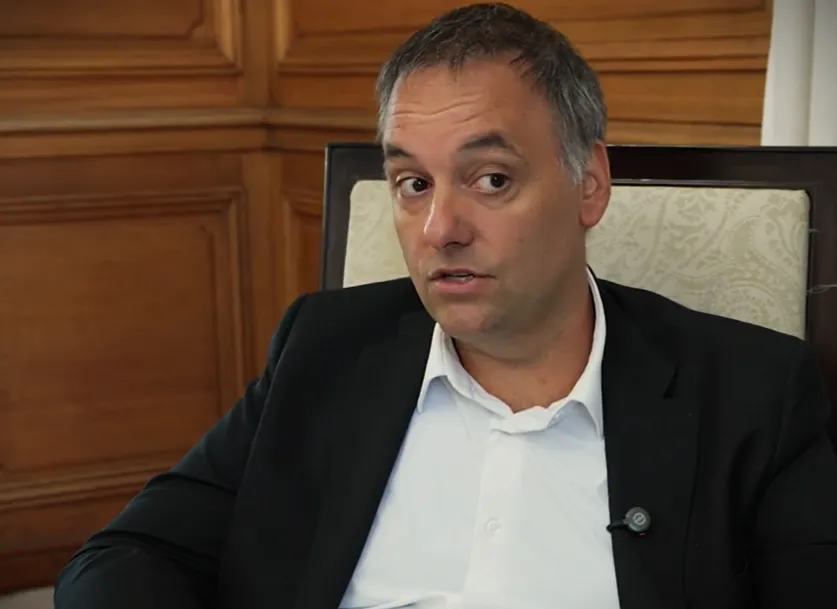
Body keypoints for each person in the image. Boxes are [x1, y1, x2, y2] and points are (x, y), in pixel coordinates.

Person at [54, 3, 837, 609]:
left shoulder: (750, 394)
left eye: (490, 178)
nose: (439, 228)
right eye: (413, 183)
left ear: (589, 184)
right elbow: (123, 558)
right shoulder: (323, 349)